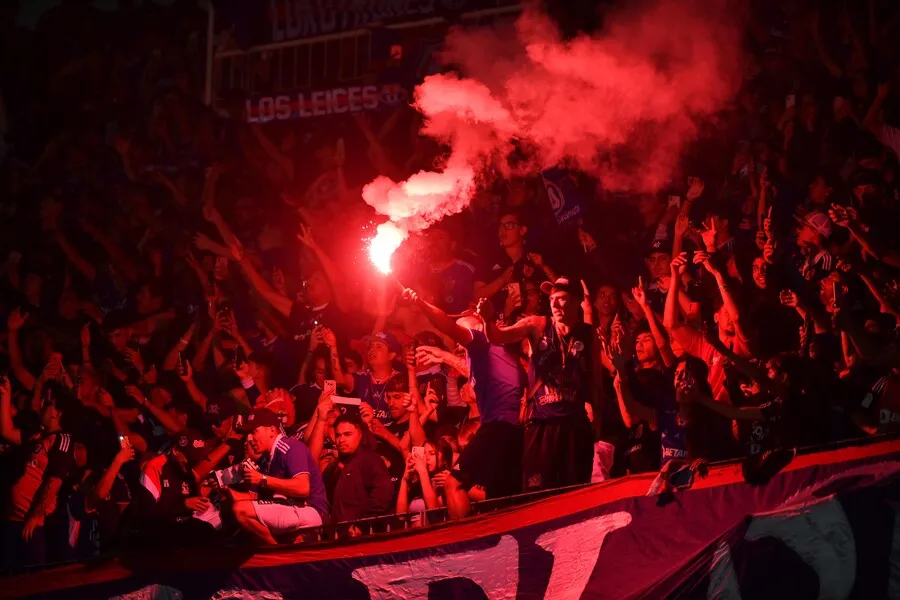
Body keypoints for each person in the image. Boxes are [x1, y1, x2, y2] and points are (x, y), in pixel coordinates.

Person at [402, 286, 524, 519]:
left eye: (462, 340)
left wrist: (420, 303)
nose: (460, 347)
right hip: (512, 431)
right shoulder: (500, 351)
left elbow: (446, 325)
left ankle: (465, 542)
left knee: (452, 483)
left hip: (497, 428)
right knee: (503, 494)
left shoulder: (481, 340)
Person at [476, 277, 594, 492]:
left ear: (577, 301)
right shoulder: (537, 324)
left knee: (576, 494)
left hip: (574, 426)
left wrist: (598, 427)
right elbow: (497, 337)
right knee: (538, 494)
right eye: (552, 299)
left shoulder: (588, 334)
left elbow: (596, 385)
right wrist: (488, 319)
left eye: (562, 299)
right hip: (542, 425)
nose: (555, 304)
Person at [1, 379, 75, 569]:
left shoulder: (62, 440)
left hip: (34, 526)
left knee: (32, 581)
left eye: (47, 404)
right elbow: (7, 432)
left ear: (58, 413)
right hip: (12, 521)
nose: (42, 405)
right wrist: (5, 395)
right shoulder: (36, 435)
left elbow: (54, 480)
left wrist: (34, 517)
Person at [229, 408, 328, 544]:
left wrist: (263, 479)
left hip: (310, 510)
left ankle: (277, 552)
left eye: (254, 431)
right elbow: (253, 497)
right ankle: (278, 549)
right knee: (235, 513)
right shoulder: (265, 460)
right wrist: (225, 491)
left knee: (241, 510)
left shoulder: (291, 447)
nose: (249, 438)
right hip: (288, 509)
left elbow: (303, 488)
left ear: (272, 430)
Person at [325, 414, 393, 523]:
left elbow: (382, 495)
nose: (341, 439)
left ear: (361, 434)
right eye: (338, 435)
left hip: (362, 535)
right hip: (339, 535)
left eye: (347, 434)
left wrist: (362, 525)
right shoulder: (336, 467)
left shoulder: (371, 459)